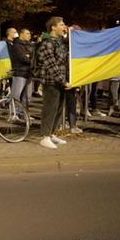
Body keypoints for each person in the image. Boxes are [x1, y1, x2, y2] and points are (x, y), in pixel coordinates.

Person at [37, 16, 71, 150]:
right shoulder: (47, 43)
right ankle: (44, 137)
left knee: (58, 108)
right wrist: (63, 81)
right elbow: (51, 65)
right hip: (51, 82)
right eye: (61, 25)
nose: (64, 27)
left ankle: (51, 133)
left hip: (61, 82)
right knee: (50, 109)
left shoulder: (60, 42)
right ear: (53, 27)